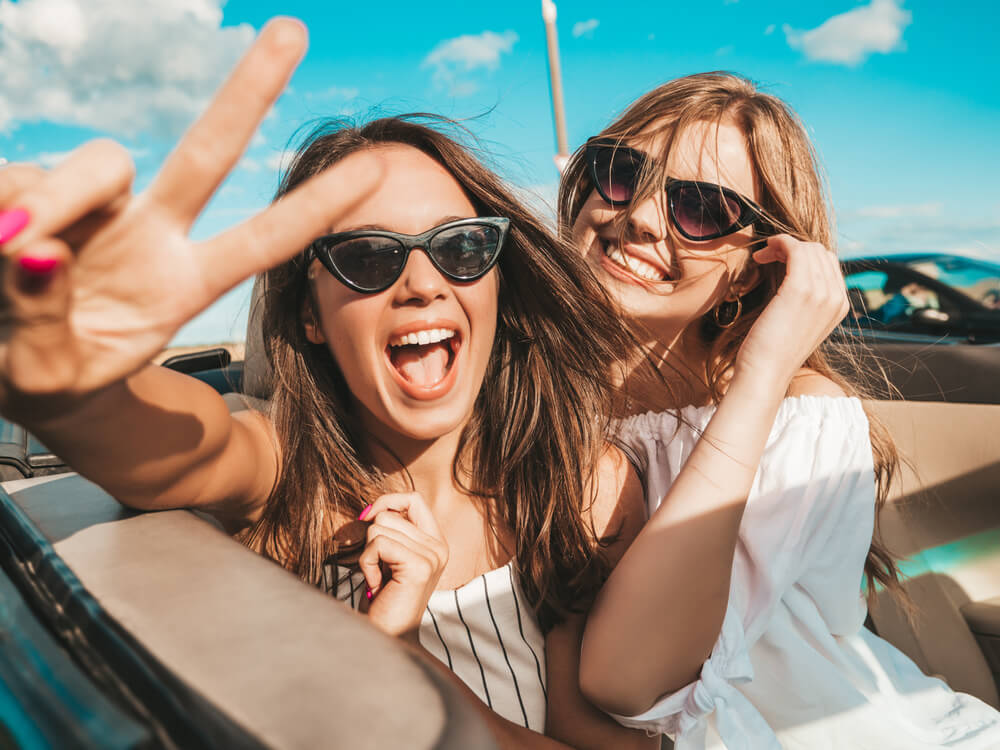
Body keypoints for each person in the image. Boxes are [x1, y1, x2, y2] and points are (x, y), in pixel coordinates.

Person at [0, 20, 653, 749]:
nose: (422, 283)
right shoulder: (284, 468)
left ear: (501, 274)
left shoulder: (580, 487)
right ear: (310, 314)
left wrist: (402, 661)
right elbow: (181, 445)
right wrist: (67, 386)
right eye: (369, 257)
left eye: (461, 247)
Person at [558, 72, 1000, 748]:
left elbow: (634, 682)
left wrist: (763, 373)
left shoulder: (800, 419)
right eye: (622, 171)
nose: (642, 216)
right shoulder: (529, 393)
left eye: (701, 209)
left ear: (754, 267)